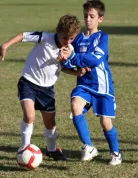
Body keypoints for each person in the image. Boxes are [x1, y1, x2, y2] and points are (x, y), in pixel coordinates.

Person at [0, 14, 82, 161]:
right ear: (58, 31)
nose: (67, 42)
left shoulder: (69, 50)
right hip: (28, 83)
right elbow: (22, 36)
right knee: (29, 116)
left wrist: (75, 71)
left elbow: (64, 68)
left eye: (72, 39)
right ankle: (24, 148)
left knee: (50, 123)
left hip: (47, 89)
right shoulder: (44, 37)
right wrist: (5, 45)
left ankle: (51, 150)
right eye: (65, 38)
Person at [61, 0, 122, 165]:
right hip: (84, 85)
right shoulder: (77, 39)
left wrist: (74, 58)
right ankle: (88, 146)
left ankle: (115, 153)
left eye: (92, 16)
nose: (88, 19)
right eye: (86, 16)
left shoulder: (102, 37)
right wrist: (68, 62)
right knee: (75, 105)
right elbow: (66, 61)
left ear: (100, 19)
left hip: (102, 86)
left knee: (105, 122)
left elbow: (95, 59)